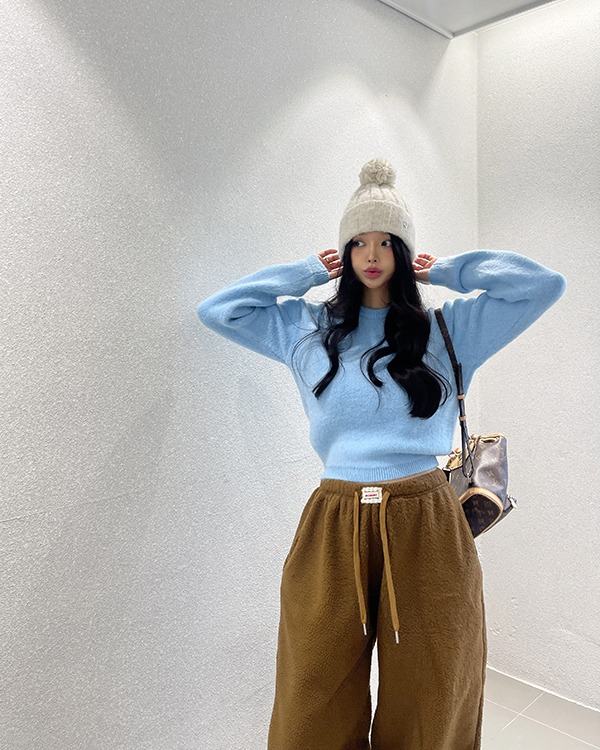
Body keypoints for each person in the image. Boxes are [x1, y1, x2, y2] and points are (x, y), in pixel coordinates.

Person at [195, 157, 567, 750]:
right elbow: (218, 310)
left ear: (404, 251)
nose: (372, 255)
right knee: (312, 695)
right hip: (333, 518)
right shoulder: (307, 328)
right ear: (343, 253)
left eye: (387, 241)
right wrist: (301, 274)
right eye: (358, 242)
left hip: (426, 517)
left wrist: (446, 270)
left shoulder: (448, 330)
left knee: (432, 691)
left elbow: (543, 285)